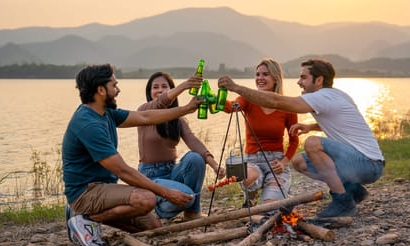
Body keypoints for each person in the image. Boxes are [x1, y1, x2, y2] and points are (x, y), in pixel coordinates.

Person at [218, 58, 384, 220]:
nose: (298, 82)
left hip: (367, 163)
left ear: (319, 80)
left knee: (312, 143)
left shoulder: (322, 97)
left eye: (303, 78)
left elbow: (275, 100)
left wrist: (235, 87)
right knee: (299, 161)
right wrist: (311, 127)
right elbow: (343, 123)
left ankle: (342, 201)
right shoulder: (337, 95)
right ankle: (352, 189)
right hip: (361, 162)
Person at [62, 64, 202, 246]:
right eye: (114, 85)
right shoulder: (88, 123)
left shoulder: (107, 113)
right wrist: (166, 193)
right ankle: (85, 219)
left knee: (154, 227)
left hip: (104, 188)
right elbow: (123, 171)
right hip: (86, 192)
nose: (118, 90)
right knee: (147, 200)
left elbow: (145, 117)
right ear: (101, 90)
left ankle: (83, 215)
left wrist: (186, 109)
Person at [137, 71, 225, 221]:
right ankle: (158, 207)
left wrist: (214, 165)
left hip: (172, 172)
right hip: (150, 177)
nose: (159, 90)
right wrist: (185, 85)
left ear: (171, 90)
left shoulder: (177, 120)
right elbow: (161, 102)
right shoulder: (144, 112)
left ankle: (192, 213)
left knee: (195, 158)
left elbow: (193, 141)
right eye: (155, 87)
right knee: (187, 197)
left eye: (164, 86)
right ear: (149, 92)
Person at [223, 58, 299, 207]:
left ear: (275, 78)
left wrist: (284, 163)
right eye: (257, 75)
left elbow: (294, 141)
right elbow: (231, 107)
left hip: (275, 161)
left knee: (268, 207)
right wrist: (213, 99)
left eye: (265, 74)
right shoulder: (248, 99)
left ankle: (275, 192)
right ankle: (251, 195)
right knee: (247, 176)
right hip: (252, 160)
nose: (260, 78)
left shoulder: (286, 105)